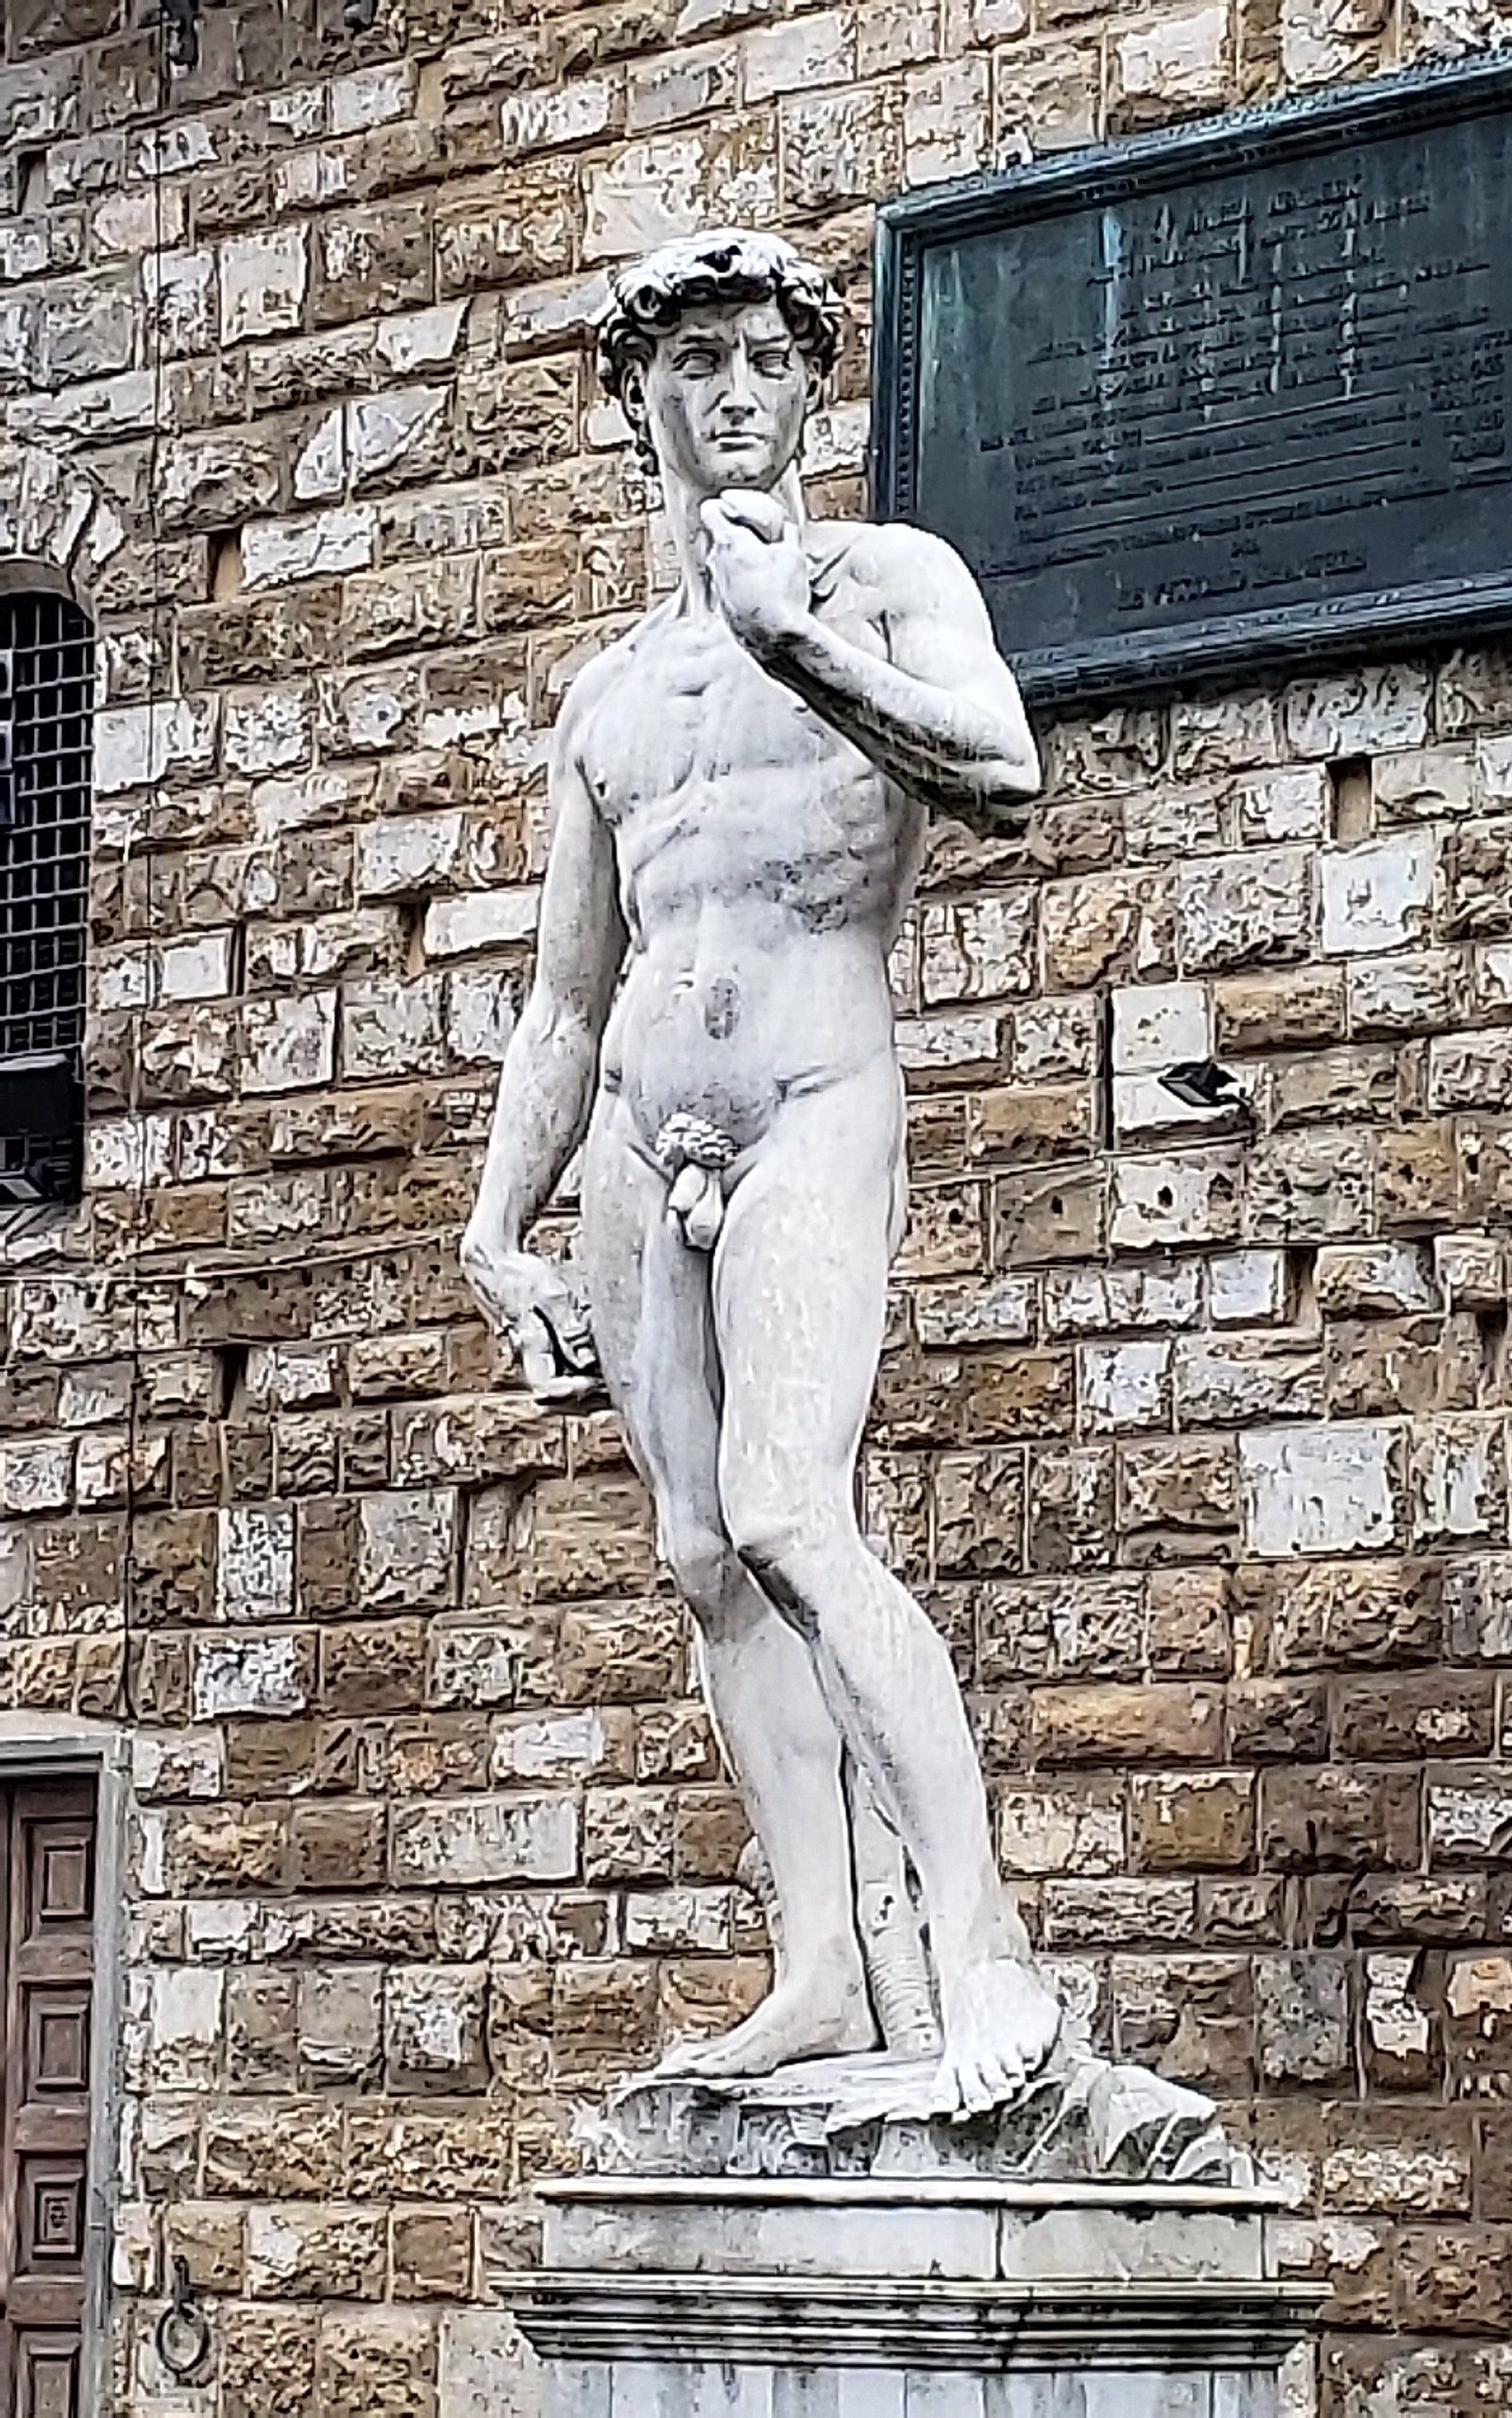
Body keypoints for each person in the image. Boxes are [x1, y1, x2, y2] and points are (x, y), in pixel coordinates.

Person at [460, 230, 1062, 2120]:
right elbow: (567, 995)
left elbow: (1005, 767)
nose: (732, 389)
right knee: (703, 1554)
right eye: (694, 360)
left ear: (813, 389)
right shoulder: (609, 695)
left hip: (812, 1091)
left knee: (794, 1506)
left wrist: (794, 633)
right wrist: (495, 1230)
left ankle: (976, 1947)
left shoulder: (883, 580)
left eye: (765, 358)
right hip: (644, 1126)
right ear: (633, 403)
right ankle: (820, 1961)